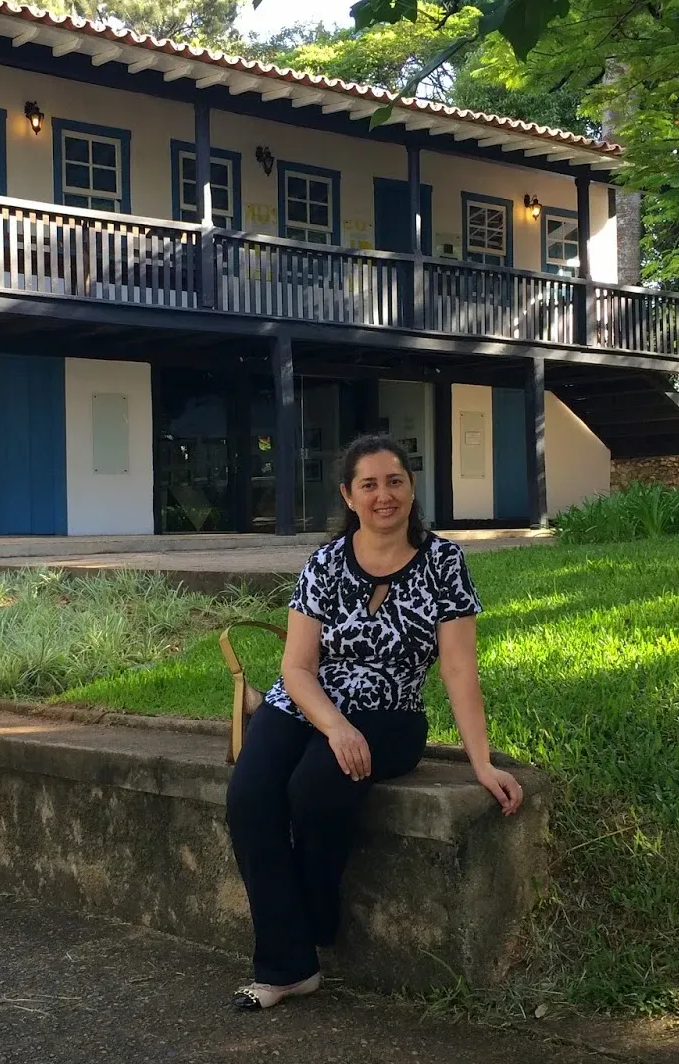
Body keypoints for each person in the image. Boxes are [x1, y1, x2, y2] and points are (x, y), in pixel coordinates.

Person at [224, 433, 523, 1011]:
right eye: (369, 485)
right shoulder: (325, 563)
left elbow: (460, 671)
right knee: (250, 796)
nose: (383, 495)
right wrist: (335, 726)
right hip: (305, 703)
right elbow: (297, 665)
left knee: (313, 789)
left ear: (411, 489)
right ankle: (288, 968)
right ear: (348, 494)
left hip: (391, 712)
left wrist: (481, 763)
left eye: (394, 481)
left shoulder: (443, 562)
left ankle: (307, 931)